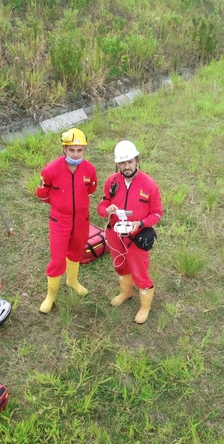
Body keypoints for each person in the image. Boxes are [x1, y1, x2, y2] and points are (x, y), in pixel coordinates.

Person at [97, 140, 163, 324]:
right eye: (122, 163)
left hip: (136, 238)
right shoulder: (112, 181)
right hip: (115, 235)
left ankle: (145, 306)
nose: (126, 167)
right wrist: (106, 210)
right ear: (117, 164)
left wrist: (141, 223)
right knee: (120, 266)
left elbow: (157, 213)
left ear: (137, 160)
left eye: (130, 162)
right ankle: (126, 292)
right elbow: (102, 205)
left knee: (140, 272)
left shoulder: (149, 185)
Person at [36, 127, 98, 313]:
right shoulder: (50, 170)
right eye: (71, 150)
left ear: (85, 149)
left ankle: (72, 281)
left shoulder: (90, 169)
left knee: (76, 251)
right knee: (57, 259)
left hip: (81, 219)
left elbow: (91, 189)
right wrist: (59, 205)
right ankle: (51, 296)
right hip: (59, 220)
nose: (76, 154)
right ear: (64, 149)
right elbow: (42, 194)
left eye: (80, 150)